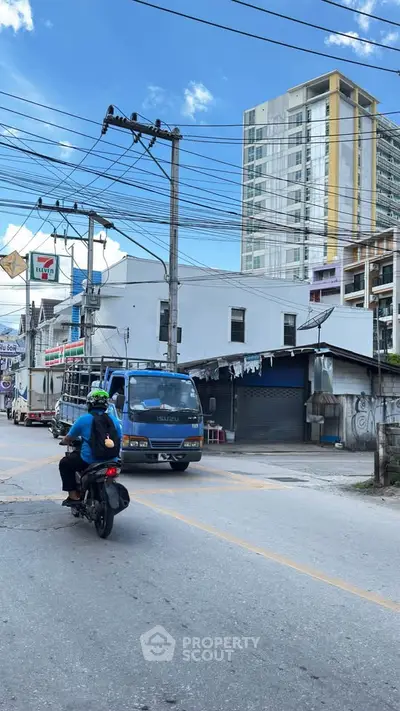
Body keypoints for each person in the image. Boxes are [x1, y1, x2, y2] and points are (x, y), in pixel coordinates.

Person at [59, 389, 122, 507]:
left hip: (89, 460)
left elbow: (69, 438)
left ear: (89, 404)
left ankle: (73, 496)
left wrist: (64, 441)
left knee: (64, 463)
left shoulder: (83, 419)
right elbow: (119, 438)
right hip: (111, 460)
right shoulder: (114, 420)